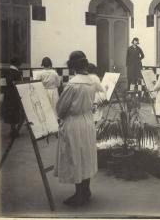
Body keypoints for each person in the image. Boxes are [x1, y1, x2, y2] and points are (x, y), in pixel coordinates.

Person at [54, 51, 103, 206]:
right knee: (86, 156)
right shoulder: (92, 81)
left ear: (72, 66)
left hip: (74, 123)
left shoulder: (73, 84)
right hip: (88, 121)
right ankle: (86, 190)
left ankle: (79, 195)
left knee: (75, 156)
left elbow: (61, 109)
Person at [1, 57, 23, 138]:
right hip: (15, 95)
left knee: (11, 112)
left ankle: (13, 129)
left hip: (8, 94)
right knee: (16, 112)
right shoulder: (16, 72)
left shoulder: (7, 71)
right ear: (17, 64)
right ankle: (15, 131)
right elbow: (16, 83)